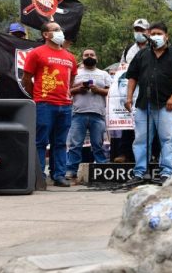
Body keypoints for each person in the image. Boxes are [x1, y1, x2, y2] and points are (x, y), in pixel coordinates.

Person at [124, 21, 172, 184]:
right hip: (143, 104)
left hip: (166, 105)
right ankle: (139, 172)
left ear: (166, 36)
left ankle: (166, 172)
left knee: (167, 139)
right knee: (141, 139)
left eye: (159, 34)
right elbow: (132, 76)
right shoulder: (142, 54)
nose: (155, 37)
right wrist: (128, 97)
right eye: (152, 34)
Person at [22, 22, 77, 187]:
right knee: (40, 141)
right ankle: (39, 176)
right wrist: (37, 96)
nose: (60, 32)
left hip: (65, 105)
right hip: (44, 104)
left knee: (60, 142)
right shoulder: (36, 53)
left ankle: (59, 175)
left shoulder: (70, 57)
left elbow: (71, 80)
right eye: (56, 30)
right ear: (46, 34)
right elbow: (26, 78)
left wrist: (66, 95)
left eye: (61, 29)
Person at [65, 49, 112, 180]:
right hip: (78, 113)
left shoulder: (104, 74)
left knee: (98, 143)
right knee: (75, 144)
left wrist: (98, 90)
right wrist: (78, 89)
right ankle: (71, 170)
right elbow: (67, 90)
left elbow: (110, 92)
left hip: (98, 114)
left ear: (96, 58)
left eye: (92, 54)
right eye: (86, 55)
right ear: (82, 57)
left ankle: (102, 168)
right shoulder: (76, 73)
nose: (89, 56)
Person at [111, 19, 150, 164]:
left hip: (149, 89)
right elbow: (122, 68)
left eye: (142, 30)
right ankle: (124, 153)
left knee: (150, 123)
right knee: (128, 122)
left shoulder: (155, 47)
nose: (139, 33)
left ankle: (151, 154)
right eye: (136, 30)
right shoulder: (128, 49)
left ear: (148, 31)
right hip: (131, 89)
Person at [0, 22, 27, 89]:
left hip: (21, 94)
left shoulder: (27, 53)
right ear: (6, 35)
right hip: (1, 93)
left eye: (20, 36)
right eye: (14, 35)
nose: (17, 38)